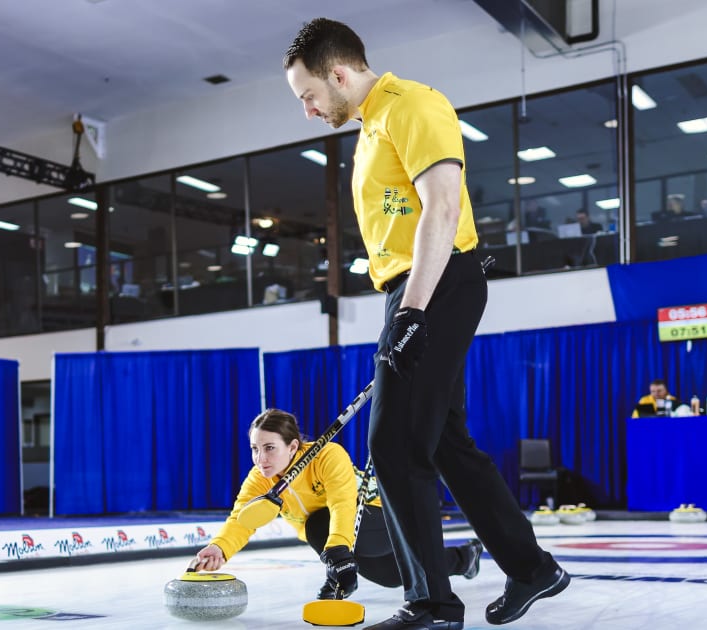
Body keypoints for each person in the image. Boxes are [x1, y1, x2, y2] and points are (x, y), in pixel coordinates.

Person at [283, 18, 569, 629]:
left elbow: (442, 204)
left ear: (338, 74)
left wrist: (412, 309)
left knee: (392, 444)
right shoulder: (370, 128)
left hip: (432, 285)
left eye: (308, 95)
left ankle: (433, 605)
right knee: (443, 441)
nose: (308, 110)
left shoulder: (412, 103)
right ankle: (532, 567)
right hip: (420, 287)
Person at [194, 409, 484, 601]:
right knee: (392, 577)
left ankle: (337, 574)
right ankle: (463, 558)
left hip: (379, 514)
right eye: (255, 449)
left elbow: (342, 504)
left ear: (293, 446)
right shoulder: (260, 478)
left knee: (317, 524)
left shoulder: (327, 456)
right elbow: (242, 518)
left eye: (269, 448)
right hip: (337, 535)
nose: (261, 459)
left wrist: (338, 555)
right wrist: (219, 548)